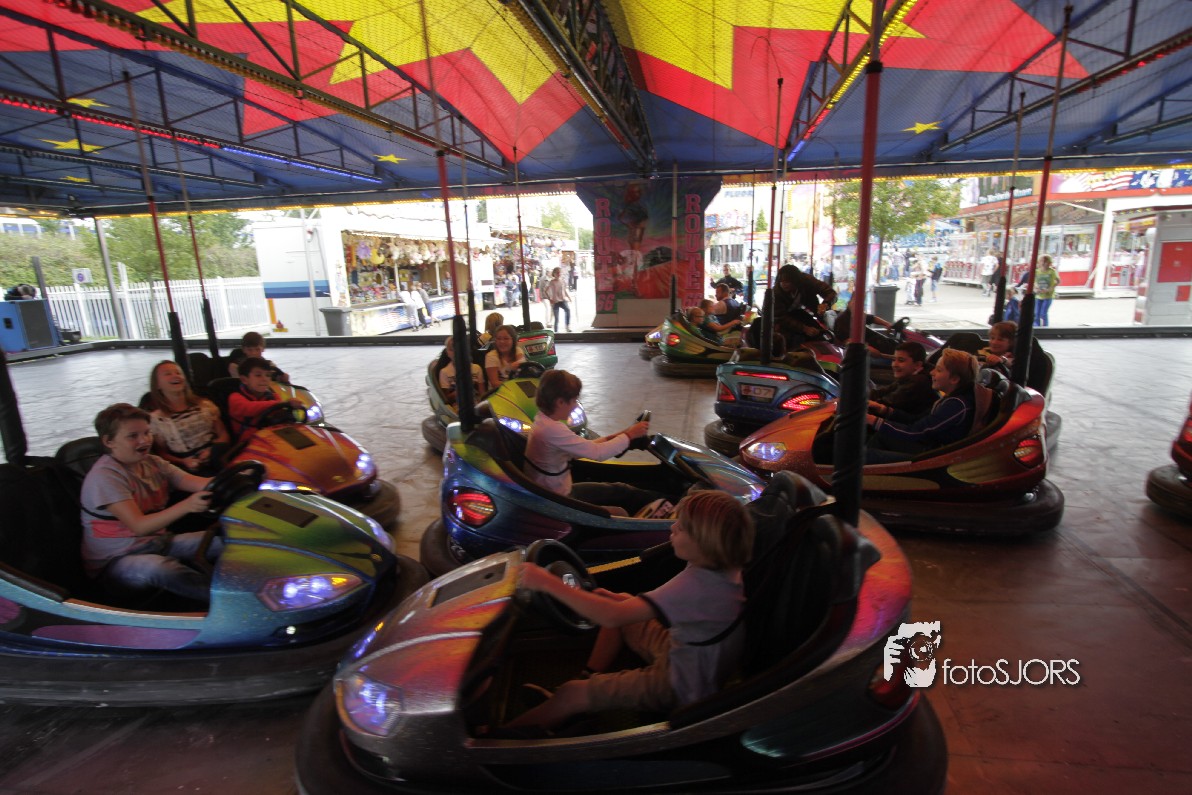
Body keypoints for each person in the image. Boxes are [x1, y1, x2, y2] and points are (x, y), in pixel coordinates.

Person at [505, 490, 753, 732]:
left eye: (683, 527)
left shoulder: (697, 584)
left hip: (683, 685)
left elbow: (611, 616)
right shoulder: (721, 569)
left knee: (572, 693)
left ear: (705, 542)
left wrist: (545, 582)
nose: (673, 527)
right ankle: (588, 678)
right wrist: (610, 601)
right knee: (622, 600)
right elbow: (627, 610)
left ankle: (501, 741)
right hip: (691, 656)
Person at [80, 403, 217, 601]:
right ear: (109, 441)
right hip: (116, 562)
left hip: (157, 543)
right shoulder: (105, 476)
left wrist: (240, 477)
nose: (144, 440)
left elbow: (199, 483)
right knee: (161, 569)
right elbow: (140, 526)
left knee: (223, 542)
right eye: (133, 436)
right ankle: (225, 603)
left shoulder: (153, 463)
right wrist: (188, 505)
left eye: (146, 433)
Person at [524, 369, 655, 515]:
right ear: (560, 402)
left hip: (559, 492)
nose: (575, 405)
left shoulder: (543, 422)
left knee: (620, 490)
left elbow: (584, 449)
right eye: (574, 400)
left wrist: (624, 434)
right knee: (620, 512)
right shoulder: (551, 430)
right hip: (560, 502)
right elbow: (598, 453)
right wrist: (630, 435)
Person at [866, 349, 979, 461]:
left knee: (866, 454)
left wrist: (874, 420)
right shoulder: (951, 399)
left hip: (934, 458)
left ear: (954, 379)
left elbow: (916, 432)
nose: (932, 372)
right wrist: (884, 410)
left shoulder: (957, 405)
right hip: (929, 447)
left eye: (939, 370)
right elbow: (916, 420)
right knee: (880, 437)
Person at [145, 360, 230, 476]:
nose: (175, 376)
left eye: (178, 373)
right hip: (188, 469)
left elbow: (223, 434)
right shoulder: (156, 420)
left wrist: (211, 451)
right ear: (157, 385)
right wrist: (183, 462)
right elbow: (161, 454)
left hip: (218, 457)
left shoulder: (205, 406)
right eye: (168, 374)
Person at [227, 356, 304, 439]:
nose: (265, 379)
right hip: (247, 442)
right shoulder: (235, 398)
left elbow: (279, 412)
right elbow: (249, 408)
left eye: (268, 375)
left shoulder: (273, 396)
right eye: (258, 375)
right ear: (244, 380)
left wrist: (291, 406)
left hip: (271, 437)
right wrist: (282, 403)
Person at [767, 264, 837, 349]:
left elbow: (831, 293)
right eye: (781, 281)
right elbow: (780, 317)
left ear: (795, 280)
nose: (783, 284)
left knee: (819, 334)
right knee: (789, 339)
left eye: (787, 282)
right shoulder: (776, 292)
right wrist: (804, 328)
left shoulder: (807, 280)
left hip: (802, 314)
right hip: (783, 320)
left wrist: (825, 304)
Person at [868, 342, 938, 418]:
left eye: (901, 360)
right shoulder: (910, 377)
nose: (894, 364)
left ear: (917, 365)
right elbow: (881, 392)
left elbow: (883, 404)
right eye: (894, 359)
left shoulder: (918, 382)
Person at [438, 338, 484, 405]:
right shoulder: (444, 372)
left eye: (458, 350)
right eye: (451, 350)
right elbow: (446, 398)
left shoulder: (477, 368)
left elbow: (482, 393)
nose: (455, 353)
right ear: (447, 353)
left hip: (476, 404)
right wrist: (460, 391)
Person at [542, 267, 572, 333]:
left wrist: (569, 297)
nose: (559, 274)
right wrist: (549, 299)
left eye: (559, 272)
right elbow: (545, 290)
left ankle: (567, 326)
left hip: (562, 300)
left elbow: (564, 290)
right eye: (557, 273)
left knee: (568, 310)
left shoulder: (562, 281)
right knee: (556, 318)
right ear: (554, 274)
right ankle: (556, 332)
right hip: (555, 301)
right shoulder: (551, 282)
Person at [1035, 256, 1059, 327]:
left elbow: (1057, 281)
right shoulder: (1037, 271)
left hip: (1048, 296)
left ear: (1049, 263)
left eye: (1045, 261)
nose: (1043, 263)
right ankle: (1037, 327)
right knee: (1036, 313)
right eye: (1042, 261)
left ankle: (1045, 327)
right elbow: (1034, 281)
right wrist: (1037, 288)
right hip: (1039, 295)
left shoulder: (1052, 271)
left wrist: (1050, 288)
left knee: (1043, 313)